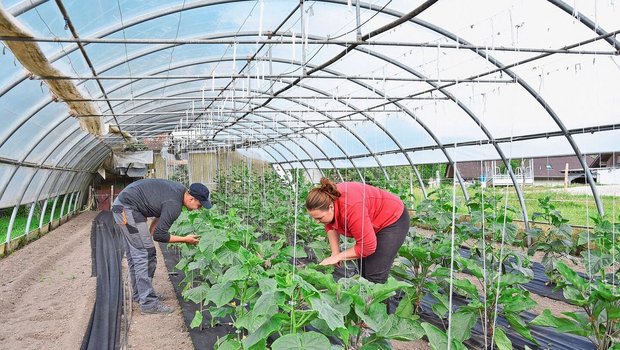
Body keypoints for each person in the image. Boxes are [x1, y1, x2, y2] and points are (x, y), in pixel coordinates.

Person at [111, 179, 211, 314]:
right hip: (127, 210)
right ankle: (148, 303)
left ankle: (140, 295)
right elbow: (160, 236)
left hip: (127, 207)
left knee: (142, 252)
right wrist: (185, 239)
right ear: (191, 198)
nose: (199, 209)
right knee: (144, 255)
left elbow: (157, 221)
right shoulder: (174, 204)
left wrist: (151, 232)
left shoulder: (178, 192)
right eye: (199, 205)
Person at [306, 177, 409, 284]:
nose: (317, 222)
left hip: (392, 219)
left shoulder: (351, 207)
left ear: (331, 207)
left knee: (375, 274)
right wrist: (335, 253)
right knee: (363, 270)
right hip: (370, 218)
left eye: (319, 218)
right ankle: (365, 299)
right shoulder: (328, 200)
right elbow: (330, 225)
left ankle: (378, 300)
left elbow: (367, 247)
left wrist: (339, 257)